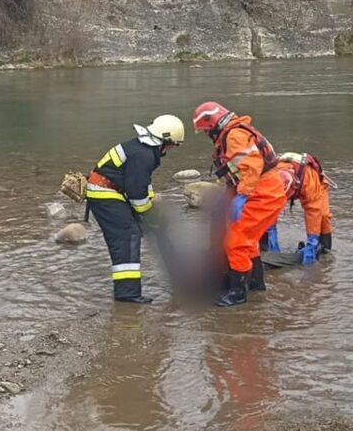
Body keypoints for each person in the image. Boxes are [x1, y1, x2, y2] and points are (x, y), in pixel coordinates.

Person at [191, 102, 287, 307]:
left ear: (213, 124)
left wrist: (241, 196)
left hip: (262, 194)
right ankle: (256, 284)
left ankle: (238, 293)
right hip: (265, 191)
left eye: (206, 130)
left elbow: (252, 167)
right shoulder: (235, 132)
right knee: (248, 241)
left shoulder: (234, 136)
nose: (207, 134)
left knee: (236, 242)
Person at [86, 115, 186, 304]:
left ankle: (178, 278)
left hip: (112, 191)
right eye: (174, 144)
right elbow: (136, 194)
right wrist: (148, 212)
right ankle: (127, 293)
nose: (173, 148)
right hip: (105, 194)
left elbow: (143, 184)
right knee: (127, 235)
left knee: (149, 229)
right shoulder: (143, 155)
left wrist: (151, 210)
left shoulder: (143, 150)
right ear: (165, 140)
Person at [271, 152, 334, 264]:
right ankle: (269, 248)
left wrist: (312, 240)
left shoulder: (308, 180)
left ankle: (325, 251)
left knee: (323, 216)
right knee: (268, 223)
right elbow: (268, 207)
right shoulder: (272, 177)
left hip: (315, 184)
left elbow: (313, 211)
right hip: (286, 179)